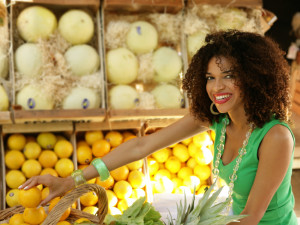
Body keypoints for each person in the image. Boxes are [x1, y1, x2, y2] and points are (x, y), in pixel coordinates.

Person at [19, 30, 298, 225]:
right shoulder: (219, 118)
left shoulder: (275, 136)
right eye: (210, 77)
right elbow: (142, 146)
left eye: (229, 76)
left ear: (254, 77)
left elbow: (250, 218)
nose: (217, 87)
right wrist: (73, 180)